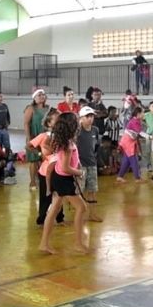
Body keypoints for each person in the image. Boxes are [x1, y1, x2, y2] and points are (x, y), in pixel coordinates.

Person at [38, 112, 89, 255]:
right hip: (63, 179)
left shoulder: (63, 141)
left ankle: (44, 244)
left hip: (58, 177)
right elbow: (66, 168)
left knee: (54, 208)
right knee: (81, 208)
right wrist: (80, 173)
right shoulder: (68, 144)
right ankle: (78, 243)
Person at [27, 109, 64, 226]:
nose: (59, 121)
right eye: (56, 119)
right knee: (45, 196)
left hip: (59, 169)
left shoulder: (61, 136)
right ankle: (41, 219)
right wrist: (40, 154)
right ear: (49, 123)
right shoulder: (43, 136)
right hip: (45, 171)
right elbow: (28, 146)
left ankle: (60, 218)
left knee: (59, 194)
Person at [78, 107, 103, 222]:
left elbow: (96, 145)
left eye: (91, 116)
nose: (90, 119)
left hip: (92, 164)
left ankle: (92, 214)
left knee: (92, 190)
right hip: (80, 165)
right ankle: (80, 215)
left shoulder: (95, 130)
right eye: (87, 116)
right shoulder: (77, 131)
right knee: (80, 191)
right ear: (81, 118)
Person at [24, 89, 49, 190]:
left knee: (44, 158)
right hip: (34, 136)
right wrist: (29, 137)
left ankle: (43, 179)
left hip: (45, 137)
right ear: (34, 98)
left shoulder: (48, 108)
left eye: (43, 94)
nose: (41, 96)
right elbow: (26, 123)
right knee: (33, 160)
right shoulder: (31, 108)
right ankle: (32, 182)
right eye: (39, 95)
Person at [117, 107, 146, 184]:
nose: (144, 114)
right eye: (143, 112)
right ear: (138, 114)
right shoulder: (135, 121)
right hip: (128, 142)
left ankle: (120, 176)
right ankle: (137, 177)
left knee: (126, 160)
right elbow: (140, 133)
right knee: (134, 159)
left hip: (128, 141)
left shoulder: (136, 121)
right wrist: (150, 137)